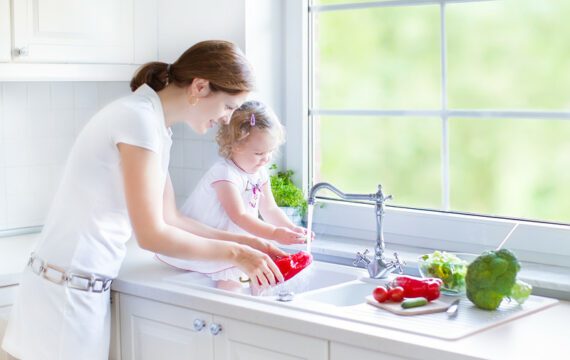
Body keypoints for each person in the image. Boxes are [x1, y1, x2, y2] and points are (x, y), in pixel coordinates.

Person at [1, 40, 286, 360]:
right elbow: (151, 235)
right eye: (228, 106)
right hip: (64, 298)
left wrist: (250, 244)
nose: (226, 118)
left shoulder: (154, 124)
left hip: (74, 292)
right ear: (200, 87)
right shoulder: (138, 121)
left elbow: (171, 219)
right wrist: (236, 253)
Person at [157, 100, 312, 291]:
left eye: (270, 151)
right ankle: (230, 310)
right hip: (212, 240)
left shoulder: (259, 171)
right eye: (259, 153)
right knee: (230, 281)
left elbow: (269, 208)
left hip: (238, 239)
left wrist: (291, 229)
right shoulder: (224, 174)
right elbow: (238, 216)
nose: (266, 158)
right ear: (235, 145)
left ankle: (252, 308)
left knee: (257, 276)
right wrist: (274, 233)